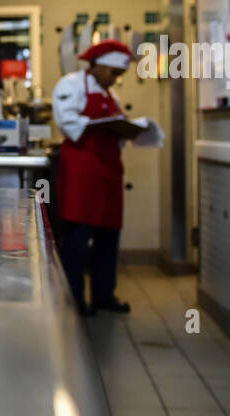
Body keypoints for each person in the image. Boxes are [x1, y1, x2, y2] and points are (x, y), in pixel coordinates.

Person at [51, 39, 162, 316]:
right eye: (113, 73)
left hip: (109, 171)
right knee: (77, 238)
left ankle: (103, 294)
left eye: (119, 75)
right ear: (98, 66)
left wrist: (128, 128)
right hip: (82, 169)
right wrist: (102, 125)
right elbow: (67, 122)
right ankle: (73, 298)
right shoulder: (71, 85)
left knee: (108, 236)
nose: (115, 79)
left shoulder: (110, 93)